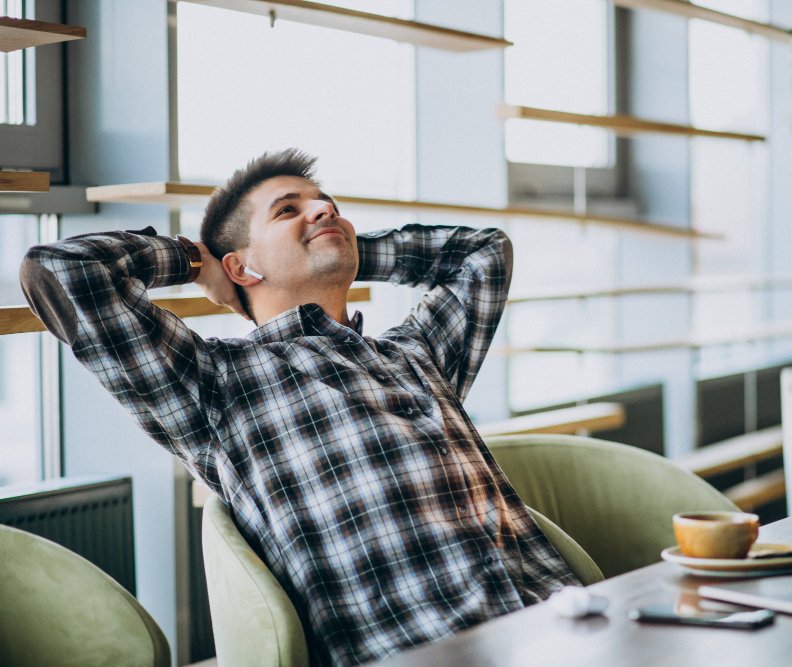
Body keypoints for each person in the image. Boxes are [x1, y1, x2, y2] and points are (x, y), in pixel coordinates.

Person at [20, 149, 579, 666]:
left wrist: (349, 250)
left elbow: (483, 253)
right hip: (421, 652)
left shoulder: (416, 354)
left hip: (565, 625)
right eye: (288, 210)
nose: (323, 209)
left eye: (327, 203)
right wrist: (196, 261)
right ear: (241, 267)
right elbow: (61, 271)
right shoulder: (213, 384)